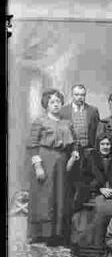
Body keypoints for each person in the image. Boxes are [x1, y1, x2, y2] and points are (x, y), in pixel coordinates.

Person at [27, 89, 79, 246]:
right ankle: (39, 233)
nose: (56, 105)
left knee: (60, 196)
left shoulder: (66, 123)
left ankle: (57, 234)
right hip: (45, 160)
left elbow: (75, 142)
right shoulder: (39, 121)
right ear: (46, 105)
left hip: (62, 162)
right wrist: (38, 167)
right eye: (52, 102)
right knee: (44, 197)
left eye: (58, 102)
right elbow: (32, 145)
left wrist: (73, 156)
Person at [71, 133, 112, 257]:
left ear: (111, 145)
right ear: (98, 145)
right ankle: (95, 247)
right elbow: (85, 178)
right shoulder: (91, 157)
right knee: (102, 208)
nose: (105, 147)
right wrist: (99, 188)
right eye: (103, 144)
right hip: (96, 193)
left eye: (108, 144)